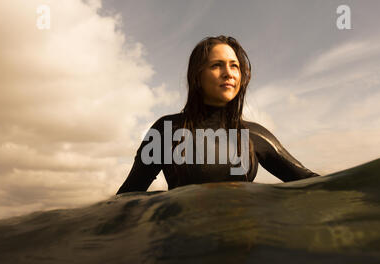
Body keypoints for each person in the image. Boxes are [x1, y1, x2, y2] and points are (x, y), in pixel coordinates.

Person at [116, 36, 319, 194]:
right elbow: (129, 194)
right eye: (216, 65)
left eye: (234, 66)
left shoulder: (253, 135)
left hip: (241, 244)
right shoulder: (167, 130)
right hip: (183, 244)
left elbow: (311, 182)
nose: (228, 73)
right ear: (197, 76)